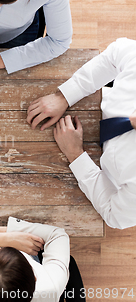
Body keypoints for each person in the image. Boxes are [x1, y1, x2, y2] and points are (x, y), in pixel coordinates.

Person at [27, 37, 136, 229]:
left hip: (109, 177)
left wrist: (75, 155)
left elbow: (114, 215)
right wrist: (66, 95)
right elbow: (115, 55)